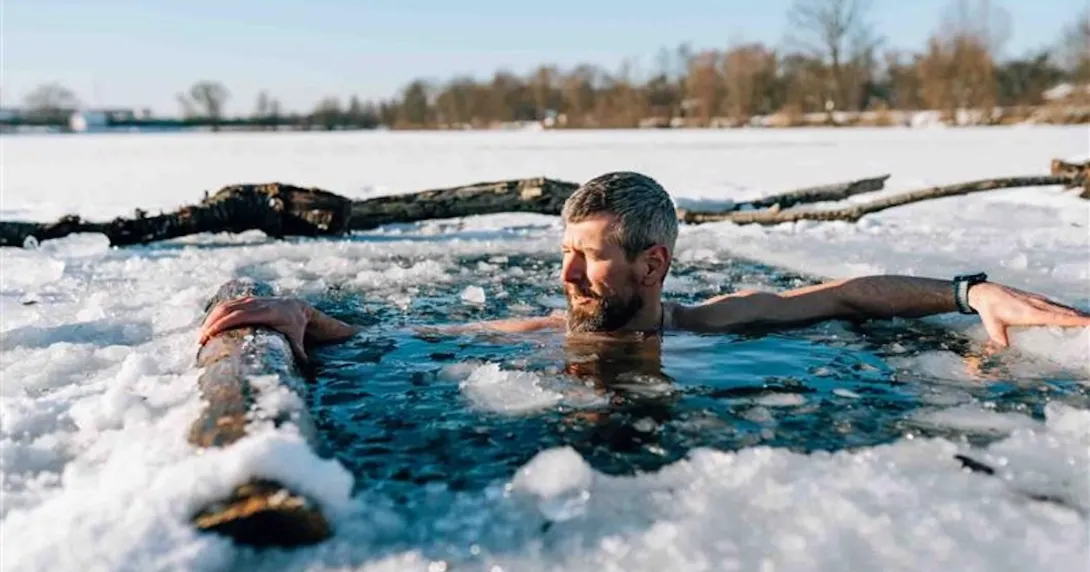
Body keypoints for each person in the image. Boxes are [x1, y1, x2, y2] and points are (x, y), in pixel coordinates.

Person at [198, 171, 1090, 362]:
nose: (566, 283)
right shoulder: (548, 330)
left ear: (653, 263)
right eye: (565, 259)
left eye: (587, 263)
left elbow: (849, 293)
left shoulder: (718, 323)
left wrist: (970, 290)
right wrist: (308, 318)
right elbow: (420, 334)